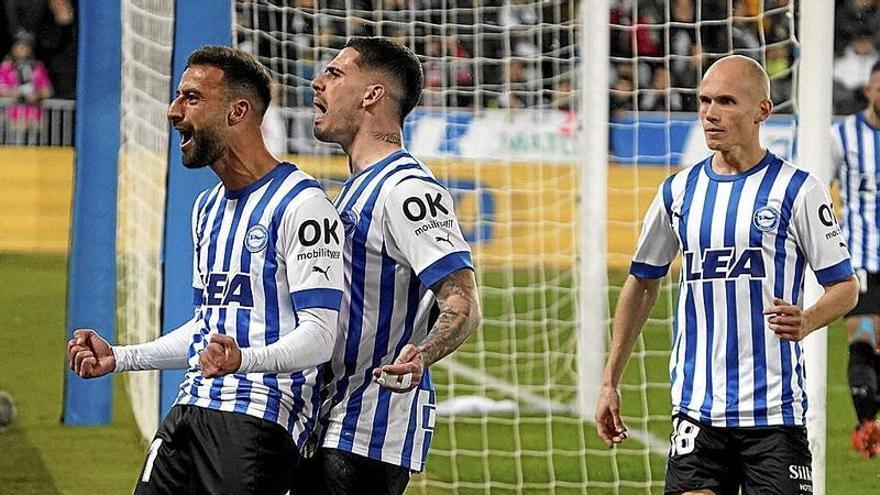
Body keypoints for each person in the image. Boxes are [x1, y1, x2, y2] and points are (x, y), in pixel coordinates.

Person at [66, 45, 345, 495]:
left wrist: (242, 361)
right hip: (189, 410)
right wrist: (121, 357)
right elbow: (207, 328)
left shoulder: (303, 205)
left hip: (259, 421)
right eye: (179, 97)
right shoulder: (207, 208)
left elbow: (320, 336)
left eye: (192, 98)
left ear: (237, 111)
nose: (173, 111)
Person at [595, 55, 859, 494]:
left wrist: (809, 319)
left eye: (726, 101)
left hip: (774, 414)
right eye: (704, 101)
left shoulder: (798, 190)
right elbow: (642, 283)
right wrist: (610, 381)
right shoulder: (679, 191)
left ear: (762, 111)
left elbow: (845, 286)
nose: (710, 113)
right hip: (697, 411)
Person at [308, 36, 482, 494]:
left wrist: (422, 355)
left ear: (372, 95)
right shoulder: (356, 187)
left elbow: (462, 302)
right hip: (332, 418)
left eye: (335, 73)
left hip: (369, 431)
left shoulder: (407, 191)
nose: (317, 82)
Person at [829, 60, 880, 458]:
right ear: (868, 90)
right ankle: (866, 428)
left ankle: (871, 418)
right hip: (860, 259)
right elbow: (816, 185)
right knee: (862, 336)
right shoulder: (841, 135)